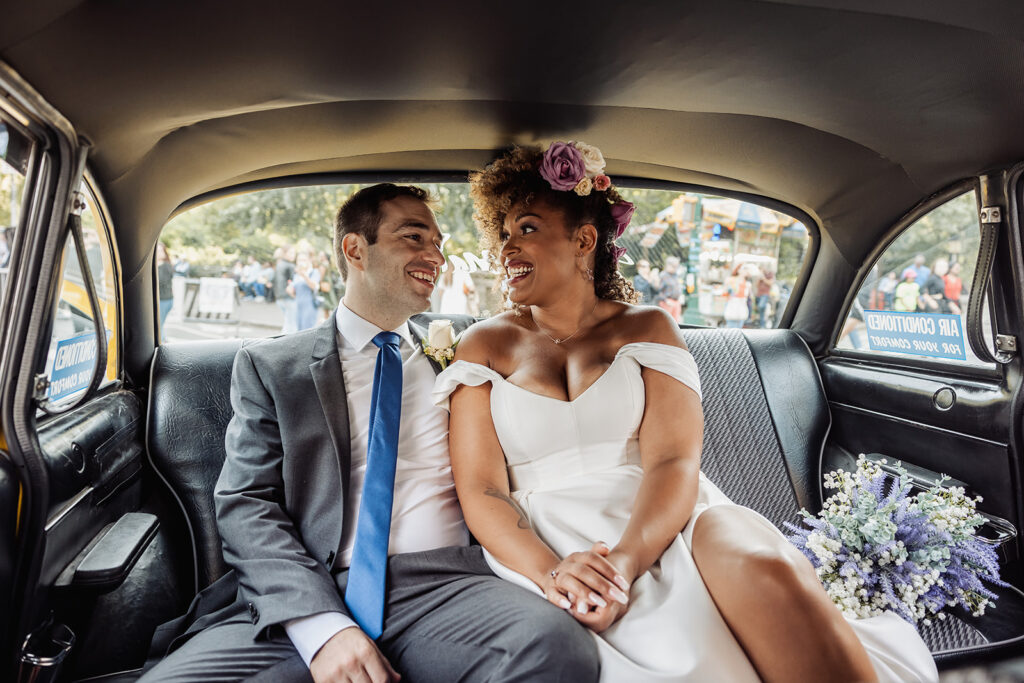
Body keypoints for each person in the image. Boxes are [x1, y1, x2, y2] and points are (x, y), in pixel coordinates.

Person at [435, 143, 937, 682]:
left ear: (584, 240)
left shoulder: (648, 328)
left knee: (762, 568)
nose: (507, 247)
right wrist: (553, 571)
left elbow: (674, 461)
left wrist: (626, 562)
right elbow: (482, 490)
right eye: (504, 233)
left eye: (527, 228)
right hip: (545, 543)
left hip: (662, 521)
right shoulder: (481, 344)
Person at [140, 183, 597, 683]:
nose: (435, 256)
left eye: (439, 243)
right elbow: (246, 501)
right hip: (309, 588)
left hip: (448, 586)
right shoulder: (272, 366)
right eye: (414, 237)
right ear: (355, 249)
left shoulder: (466, 352)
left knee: (555, 647)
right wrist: (322, 627)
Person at [289, 250, 322, 330]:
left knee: (308, 329)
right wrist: (290, 290)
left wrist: (305, 276)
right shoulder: (296, 275)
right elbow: (294, 292)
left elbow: (314, 287)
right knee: (298, 330)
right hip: (298, 305)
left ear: (309, 261)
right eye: (299, 260)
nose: (301, 262)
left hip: (309, 305)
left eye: (304, 260)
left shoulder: (314, 272)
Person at [274, 245, 297, 333]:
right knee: (291, 324)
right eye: (290, 253)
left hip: (279, 297)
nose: (293, 255)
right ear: (284, 254)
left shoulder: (279, 264)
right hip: (289, 297)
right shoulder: (290, 266)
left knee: (287, 322)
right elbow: (292, 282)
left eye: (294, 253)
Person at [156, 242, 175, 342]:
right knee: (159, 323)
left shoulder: (165, 266)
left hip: (164, 299)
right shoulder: (158, 265)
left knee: (159, 324)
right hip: (163, 299)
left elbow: (161, 280)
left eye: (160, 250)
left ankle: (162, 341)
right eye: (157, 251)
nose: (159, 253)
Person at [654, 256, 682, 322]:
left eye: (676, 266)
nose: (676, 268)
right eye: (674, 266)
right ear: (668, 265)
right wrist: (666, 300)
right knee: (667, 323)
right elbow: (658, 291)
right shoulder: (663, 275)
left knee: (676, 323)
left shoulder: (675, 275)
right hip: (667, 302)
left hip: (676, 302)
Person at [723, 263, 750, 328]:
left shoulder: (747, 284)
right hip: (732, 307)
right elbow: (724, 293)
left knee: (739, 329)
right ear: (738, 270)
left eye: (746, 269)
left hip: (741, 309)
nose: (745, 271)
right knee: (731, 330)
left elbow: (746, 298)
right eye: (744, 269)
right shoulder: (730, 280)